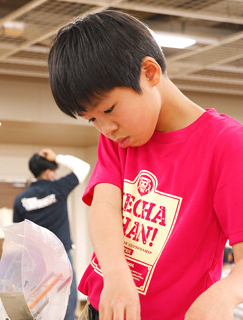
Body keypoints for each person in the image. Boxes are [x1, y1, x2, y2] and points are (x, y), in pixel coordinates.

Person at [48, 10, 243, 320]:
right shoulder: (119, 138)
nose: (106, 129)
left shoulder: (227, 145)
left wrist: (227, 292)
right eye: (92, 120)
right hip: (101, 309)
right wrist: (115, 273)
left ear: (150, 73)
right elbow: (105, 206)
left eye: (110, 109)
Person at [13, 148, 90, 320]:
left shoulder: (21, 199)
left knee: (38, 307)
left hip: (34, 261)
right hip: (59, 258)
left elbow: (17, 234)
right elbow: (83, 167)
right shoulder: (59, 188)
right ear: (49, 173)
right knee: (66, 307)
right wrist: (57, 157)